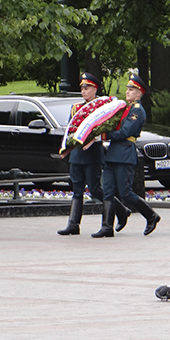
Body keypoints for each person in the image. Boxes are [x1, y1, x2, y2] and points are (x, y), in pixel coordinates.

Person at [57, 72, 131, 235]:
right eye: (82, 88)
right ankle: (73, 224)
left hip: (92, 153)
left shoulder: (102, 107)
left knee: (95, 188)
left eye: (87, 88)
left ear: (95, 88)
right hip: (77, 154)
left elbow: (105, 129)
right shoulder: (77, 108)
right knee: (77, 188)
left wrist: (93, 139)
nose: (83, 91)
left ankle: (121, 211)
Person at [92, 74, 161, 237]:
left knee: (125, 192)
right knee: (107, 190)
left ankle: (151, 216)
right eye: (128, 89)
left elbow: (125, 132)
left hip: (124, 153)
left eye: (132, 90)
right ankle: (107, 227)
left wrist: (104, 135)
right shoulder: (126, 109)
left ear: (139, 93)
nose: (128, 92)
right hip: (113, 153)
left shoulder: (137, 111)